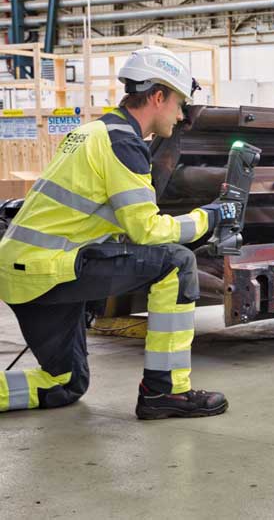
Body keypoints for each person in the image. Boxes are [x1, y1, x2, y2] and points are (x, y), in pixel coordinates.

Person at [0, 46, 235, 419]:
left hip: (25, 270)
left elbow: (112, 208)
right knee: (176, 263)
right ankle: (166, 392)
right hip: (48, 270)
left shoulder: (95, 132)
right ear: (158, 96)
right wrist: (209, 217)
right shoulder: (122, 143)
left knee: (64, 384)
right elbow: (146, 231)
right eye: (179, 104)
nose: (181, 113)